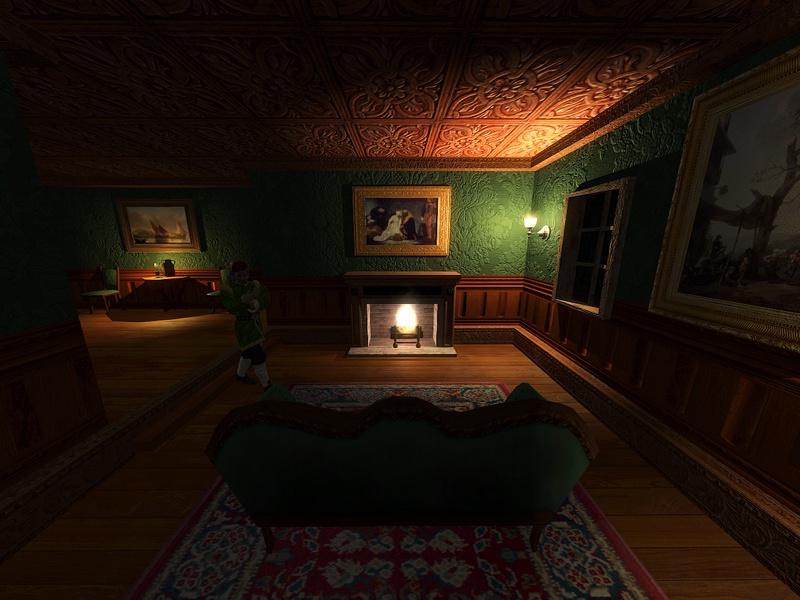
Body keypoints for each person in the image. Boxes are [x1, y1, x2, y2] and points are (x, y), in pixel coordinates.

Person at [220, 261, 273, 391]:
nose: (243, 278)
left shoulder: (254, 285)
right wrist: (245, 300)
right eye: (239, 275)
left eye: (244, 275)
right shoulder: (228, 289)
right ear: (234, 275)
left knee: (248, 351)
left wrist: (256, 302)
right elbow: (231, 308)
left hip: (256, 324)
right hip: (243, 325)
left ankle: (240, 375)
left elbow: (266, 299)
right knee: (258, 354)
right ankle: (267, 385)